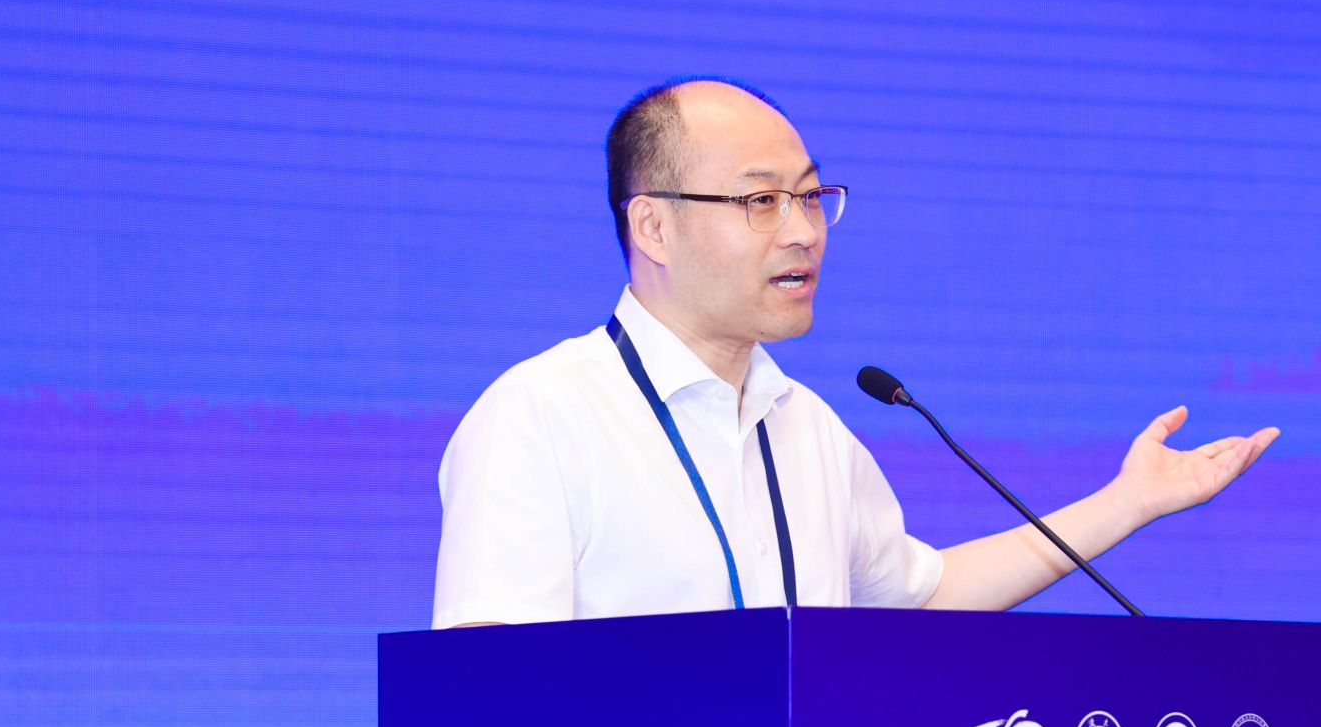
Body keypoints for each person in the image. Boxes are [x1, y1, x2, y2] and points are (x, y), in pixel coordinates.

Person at [431, 78, 1278, 628]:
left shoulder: (809, 429)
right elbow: (485, 697)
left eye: (810, 196)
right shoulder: (541, 418)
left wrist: (1126, 503)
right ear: (653, 226)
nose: (803, 231)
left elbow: (923, 597)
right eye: (761, 201)